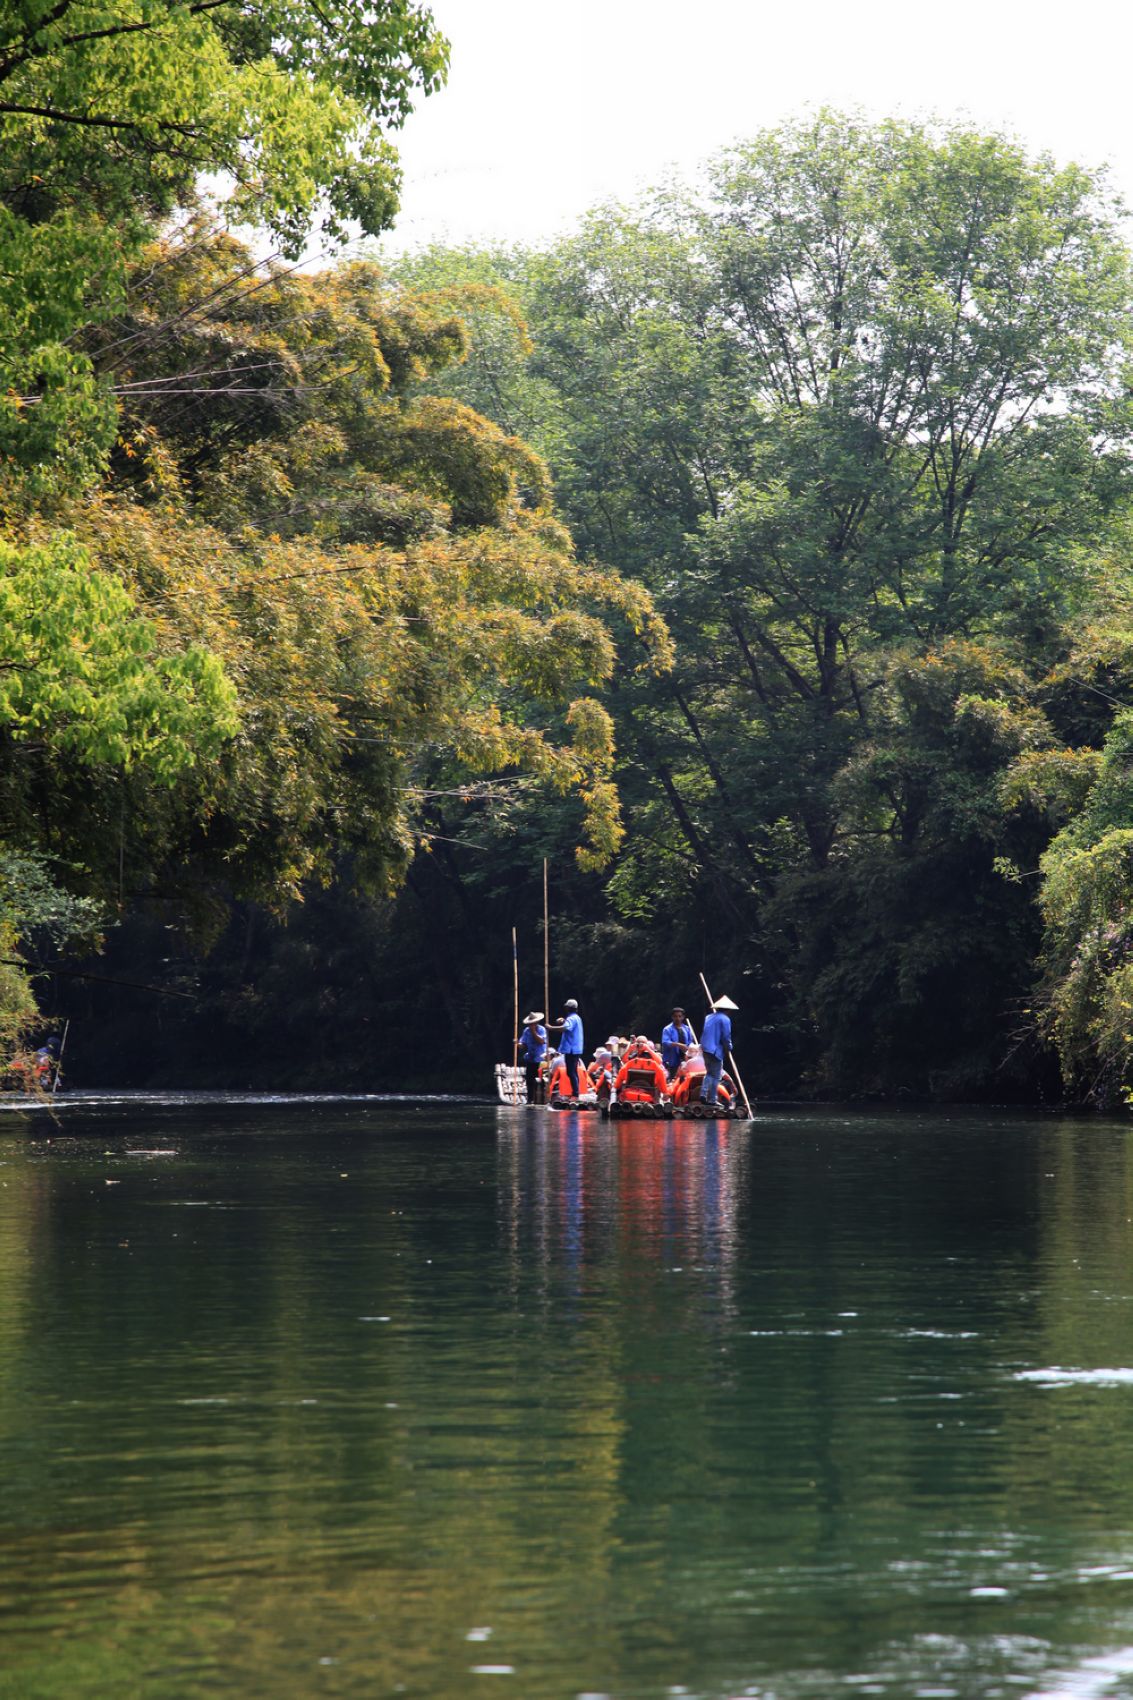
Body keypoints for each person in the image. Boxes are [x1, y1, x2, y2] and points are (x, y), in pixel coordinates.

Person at [547, 999, 584, 1098]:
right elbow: (568, 1025)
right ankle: (576, 1092)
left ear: (568, 1008)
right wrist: (563, 1021)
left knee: (571, 1071)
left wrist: (551, 1028)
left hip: (571, 1049)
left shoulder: (571, 1018)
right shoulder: (576, 1018)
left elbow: (565, 1028)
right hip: (576, 1048)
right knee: (573, 1071)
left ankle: (575, 1094)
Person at [700, 1001, 734, 1106]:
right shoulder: (725, 1019)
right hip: (714, 1050)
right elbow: (726, 1037)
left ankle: (703, 1093)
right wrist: (729, 1047)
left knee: (709, 1073)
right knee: (716, 1075)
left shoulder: (709, 1017)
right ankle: (712, 1100)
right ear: (728, 1010)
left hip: (705, 1048)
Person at [517, 1012, 547, 1104]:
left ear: (536, 1022)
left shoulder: (541, 1030)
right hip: (530, 1058)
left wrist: (534, 1032)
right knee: (529, 1080)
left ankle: (541, 1099)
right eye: (530, 1024)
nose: (531, 1025)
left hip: (540, 1060)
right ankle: (530, 1099)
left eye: (533, 1023)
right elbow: (523, 1044)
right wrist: (517, 1044)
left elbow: (541, 1041)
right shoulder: (526, 1031)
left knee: (540, 1081)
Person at [660, 1007, 694, 1076]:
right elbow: (665, 1042)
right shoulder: (667, 1029)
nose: (678, 1018)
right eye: (675, 1016)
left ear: (683, 1017)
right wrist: (678, 1045)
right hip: (671, 1061)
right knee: (672, 1079)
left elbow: (690, 1042)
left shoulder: (687, 1028)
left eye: (680, 1016)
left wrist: (691, 1049)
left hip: (685, 1060)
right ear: (672, 1017)